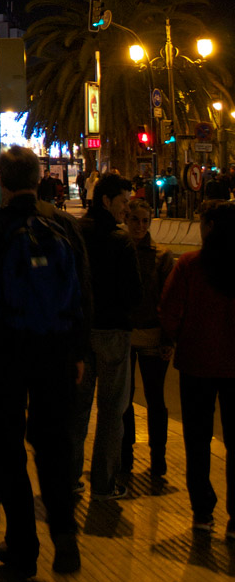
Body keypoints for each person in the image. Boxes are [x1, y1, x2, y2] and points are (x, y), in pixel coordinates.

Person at [0, 145, 91, 578]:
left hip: (4, 351)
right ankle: (65, 535)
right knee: (54, 445)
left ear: (0, 180)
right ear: (39, 179)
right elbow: (83, 295)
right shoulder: (64, 226)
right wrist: (78, 352)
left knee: (8, 449)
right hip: (55, 350)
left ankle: (22, 545)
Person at [160, 199, 235, 536]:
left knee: (198, 441)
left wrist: (173, 337)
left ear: (211, 229)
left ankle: (202, 513)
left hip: (196, 365)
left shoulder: (190, 265)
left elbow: (170, 310)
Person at [72, 173, 141, 501]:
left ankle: (71, 478)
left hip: (82, 331)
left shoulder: (77, 233)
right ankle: (104, 482)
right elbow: (133, 292)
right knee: (112, 409)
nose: (126, 209)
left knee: (80, 406)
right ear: (106, 201)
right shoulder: (120, 240)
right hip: (113, 333)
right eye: (123, 202)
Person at [120, 199, 174, 482]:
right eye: (135, 220)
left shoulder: (161, 256)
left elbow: (168, 299)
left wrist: (168, 338)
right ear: (126, 219)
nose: (140, 226)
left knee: (155, 399)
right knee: (125, 400)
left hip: (152, 334)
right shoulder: (119, 250)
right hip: (126, 335)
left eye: (145, 221)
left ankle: (158, 457)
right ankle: (125, 456)